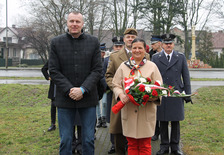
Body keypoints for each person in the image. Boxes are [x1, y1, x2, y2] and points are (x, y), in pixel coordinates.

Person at [49, 11, 102, 155]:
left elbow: (97, 69)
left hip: (88, 97)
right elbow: (53, 70)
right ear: (67, 22)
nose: (74, 24)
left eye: (77, 21)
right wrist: (70, 89)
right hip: (65, 98)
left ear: (82, 24)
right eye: (71, 21)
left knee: (88, 139)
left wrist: (83, 89)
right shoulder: (56, 42)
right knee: (65, 139)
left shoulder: (93, 42)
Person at [112, 38, 163, 154]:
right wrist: (120, 94)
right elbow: (115, 84)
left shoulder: (152, 66)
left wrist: (150, 95)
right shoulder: (123, 66)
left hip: (146, 112)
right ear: (131, 49)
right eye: (134, 48)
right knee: (132, 145)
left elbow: (159, 87)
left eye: (140, 48)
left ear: (145, 50)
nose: (137, 50)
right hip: (129, 112)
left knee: (145, 145)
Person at [105, 28, 150, 155]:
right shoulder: (114, 56)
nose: (130, 39)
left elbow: (148, 76)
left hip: (138, 101)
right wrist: (117, 90)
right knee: (119, 132)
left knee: (137, 131)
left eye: (132, 37)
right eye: (128, 37)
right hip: (121, 99)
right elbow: (108, 76)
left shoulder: (146, 56)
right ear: (124, 39)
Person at [151, 34, 192, 155]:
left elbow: (186, 76)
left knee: (175, 120)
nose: (168, 45)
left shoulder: (180, 57)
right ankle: (164, 146)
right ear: (162, 45)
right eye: (166, 43)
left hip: (176, 92)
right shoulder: (156, 57)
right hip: (162, 92)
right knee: (162, 120)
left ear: (173, 45)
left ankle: (175, 147)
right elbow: (152, 76)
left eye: (170, 43)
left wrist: (187, 94)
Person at [105, 36, 124, 154]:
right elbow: (105, 75)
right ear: (113, 47)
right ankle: (113, 144)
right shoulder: (108, 59)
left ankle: (123, 145)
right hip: (112, 93)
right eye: (116, 46)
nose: (118, 48)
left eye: (120, 46)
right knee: (114, 122)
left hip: (126, 95)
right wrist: (113, 87)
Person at [149, 35, 163, 141]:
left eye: (154, 44)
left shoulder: (166, 53)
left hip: (164, 84)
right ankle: (155, 132)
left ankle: (163, 133)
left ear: (159, 43)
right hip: (154, 84)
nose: (152, 46)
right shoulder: (150, 55)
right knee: (155, 110)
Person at [41, 61, 56, 132]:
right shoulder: (52, 59)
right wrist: (48, 77)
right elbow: (44, 69)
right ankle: (53, 124)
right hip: (54, 86)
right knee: (53, 105)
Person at [96, 43, 108, 128]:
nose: (102, 54)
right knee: (96, 103)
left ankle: (104, 118)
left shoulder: (107, 60)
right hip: (96, 85)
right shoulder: (95, 61)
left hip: (104, 85)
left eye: (103, 52)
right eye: (100, 52)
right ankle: (99, 118)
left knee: (104, 102)